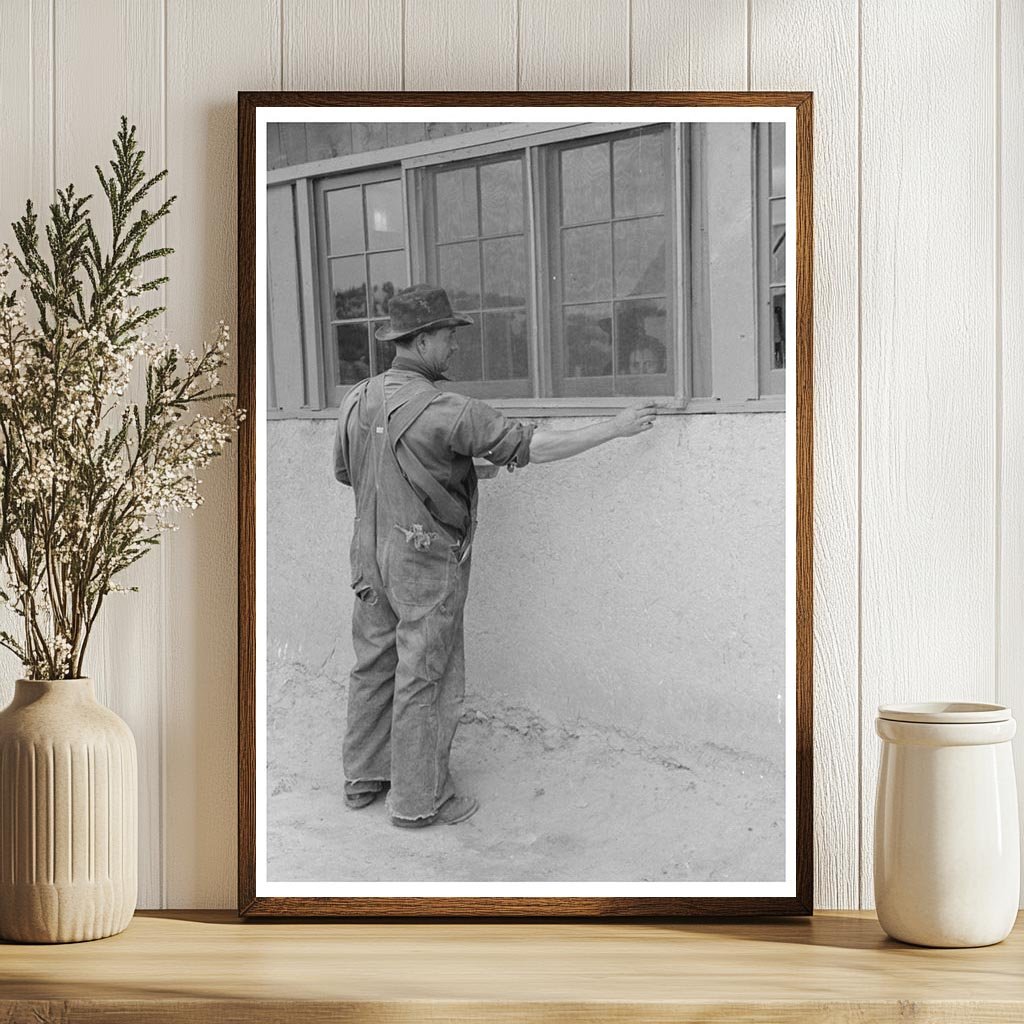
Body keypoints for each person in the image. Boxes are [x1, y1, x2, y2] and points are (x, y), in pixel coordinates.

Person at [332, 284, 658, 828]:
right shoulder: (450, 410)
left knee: (372, 666)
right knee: (425, 677)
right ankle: (420, 801)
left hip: (368, 557)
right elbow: (537, 447)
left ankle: (363, 778)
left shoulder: (357, 398)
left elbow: (349, 472)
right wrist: (616, 429)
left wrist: (443, 471)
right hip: (422, 561)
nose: (455, 347)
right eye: (447, 336)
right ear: (421, 339)